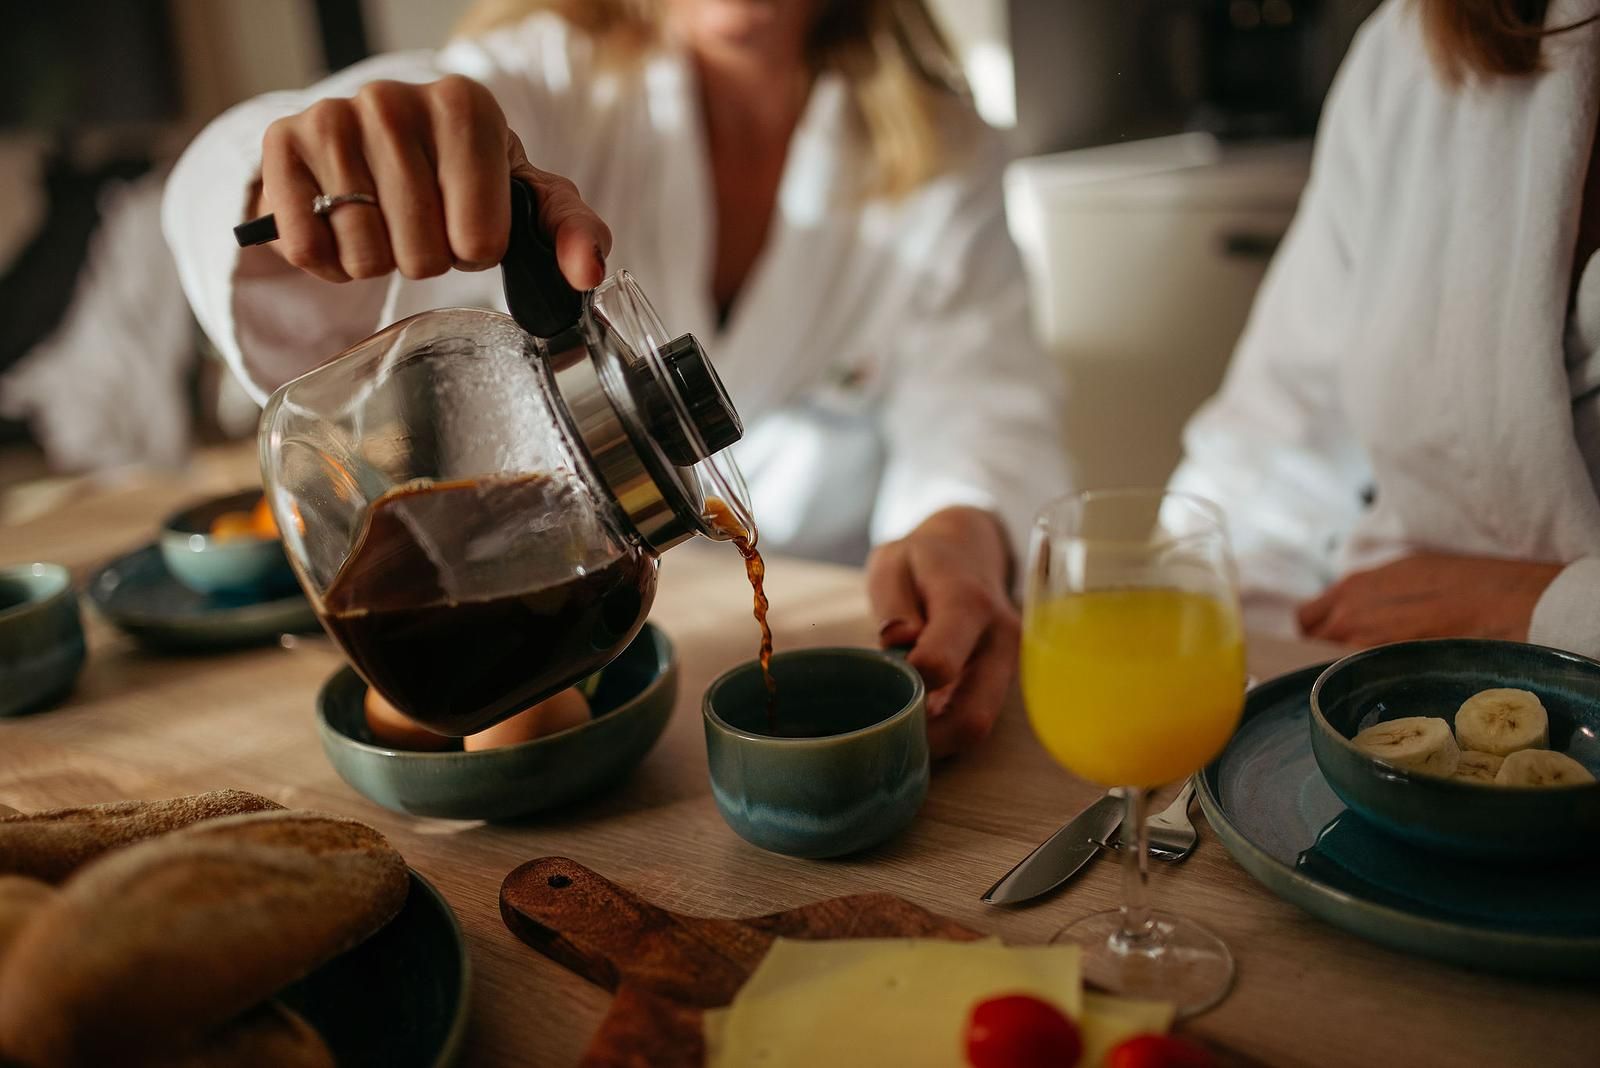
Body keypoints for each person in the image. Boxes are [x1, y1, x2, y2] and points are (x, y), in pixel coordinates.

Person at [161, 0, 1070, 757]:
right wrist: (314, 159)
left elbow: (982, 408)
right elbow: (277, 151)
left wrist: (959, 529)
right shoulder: (547, 77)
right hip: (523, 570)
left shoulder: (947, 148)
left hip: (836, 619)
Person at [1169, 0, 1600, 655]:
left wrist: (1536, 611)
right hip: (1393, 699)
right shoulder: (1410, 50)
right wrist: (1177, 591)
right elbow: (1275, 440)